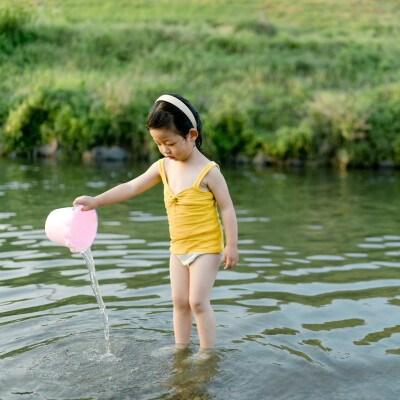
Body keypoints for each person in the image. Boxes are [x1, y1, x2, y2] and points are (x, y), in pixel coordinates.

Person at [73, 94, 238, 359]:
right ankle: (181, 347)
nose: (164, 149)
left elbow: (227, 208)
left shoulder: (209, 172)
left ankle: (207, 352)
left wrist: (231, 245)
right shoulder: (163, 167)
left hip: (206, 248)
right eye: (158, 143)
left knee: (197, 301)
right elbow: (130, 187)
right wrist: (96, 201)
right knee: (179, 302)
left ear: (192, 135)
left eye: (170, 142)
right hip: (178, 248)